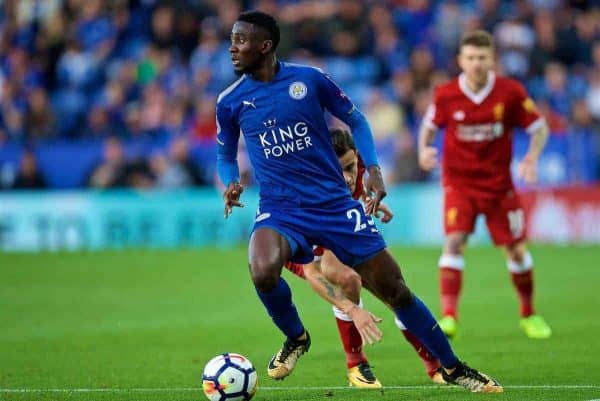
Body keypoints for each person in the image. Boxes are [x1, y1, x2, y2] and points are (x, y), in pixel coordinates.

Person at [217, 11, 502, 393]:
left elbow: (358, 121)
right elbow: (224, 155)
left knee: (396, 291)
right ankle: (297, 338)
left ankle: (451, 367)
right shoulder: (230, 101)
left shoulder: (309, 80)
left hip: (335, 206)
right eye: (232, 39)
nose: (232, 47)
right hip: (281, 208)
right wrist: (232, 180)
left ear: (265, 46)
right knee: (261, 269)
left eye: (241, 40)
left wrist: (374, 170)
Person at [282, 128, 445, 388]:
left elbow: (351, 191)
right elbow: (313, 272)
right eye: (339, 171)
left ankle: (435, 368)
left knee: (396, 291)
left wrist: (368, 201)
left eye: (351, 166)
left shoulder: (355, 167)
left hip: (338, 230)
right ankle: (356, 365)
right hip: (301, 243)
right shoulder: (304, 189)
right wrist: (354, 310)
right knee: (349, 280)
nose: (348, 177)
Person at [418, 30, 552, 340]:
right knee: (453, 242)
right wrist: (424, 149)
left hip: (499, 186)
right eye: (471, 58)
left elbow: (539, 128)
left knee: (516, 251)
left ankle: (529, 314)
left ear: (492, 59)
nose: (477, 64)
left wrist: (531, 158)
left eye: (482, 58)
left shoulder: (510, 92)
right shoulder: (446, 94)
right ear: (460, 61)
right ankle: (449, 316)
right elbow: (427, 128)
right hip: (459, 184)